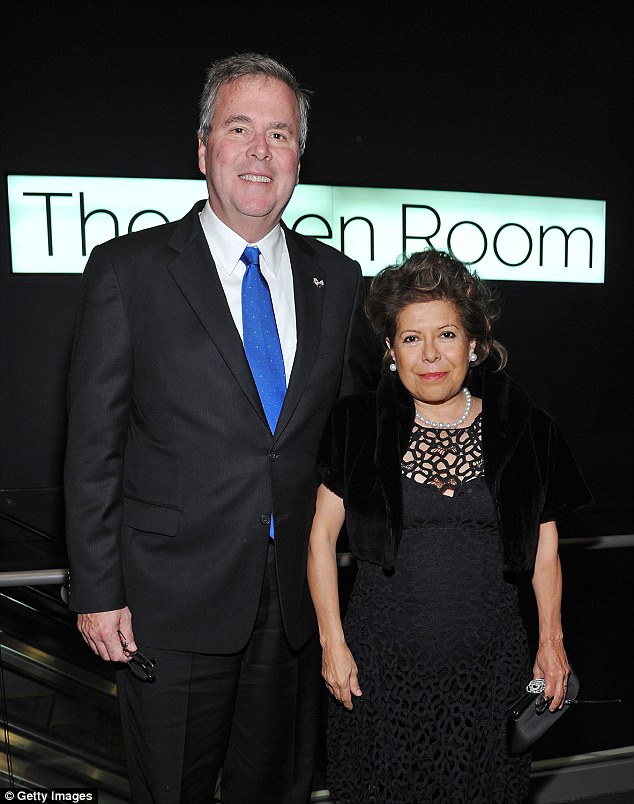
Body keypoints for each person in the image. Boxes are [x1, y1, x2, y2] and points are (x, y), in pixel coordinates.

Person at [64, 52, 370, 804]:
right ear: (204, 149)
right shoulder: (128, 271)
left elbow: (349, 438)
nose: (260, 151)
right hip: (168, 605)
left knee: (279, 791)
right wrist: (96, 590)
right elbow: (93, 448)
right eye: (240, 129)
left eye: (280, 134)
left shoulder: (338, 279)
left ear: (299, 157)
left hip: (294, 605)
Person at [307, 249, 593, 803]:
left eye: (447, 335)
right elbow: (321, 537)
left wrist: (552, 643)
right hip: (377, 669)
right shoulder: (356, 424)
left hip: (490, 669)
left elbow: (545, 544)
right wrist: (332, 643)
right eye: (411, 339)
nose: (431, 355)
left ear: (475, 344)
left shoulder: (526, 429)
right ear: (390, 350)